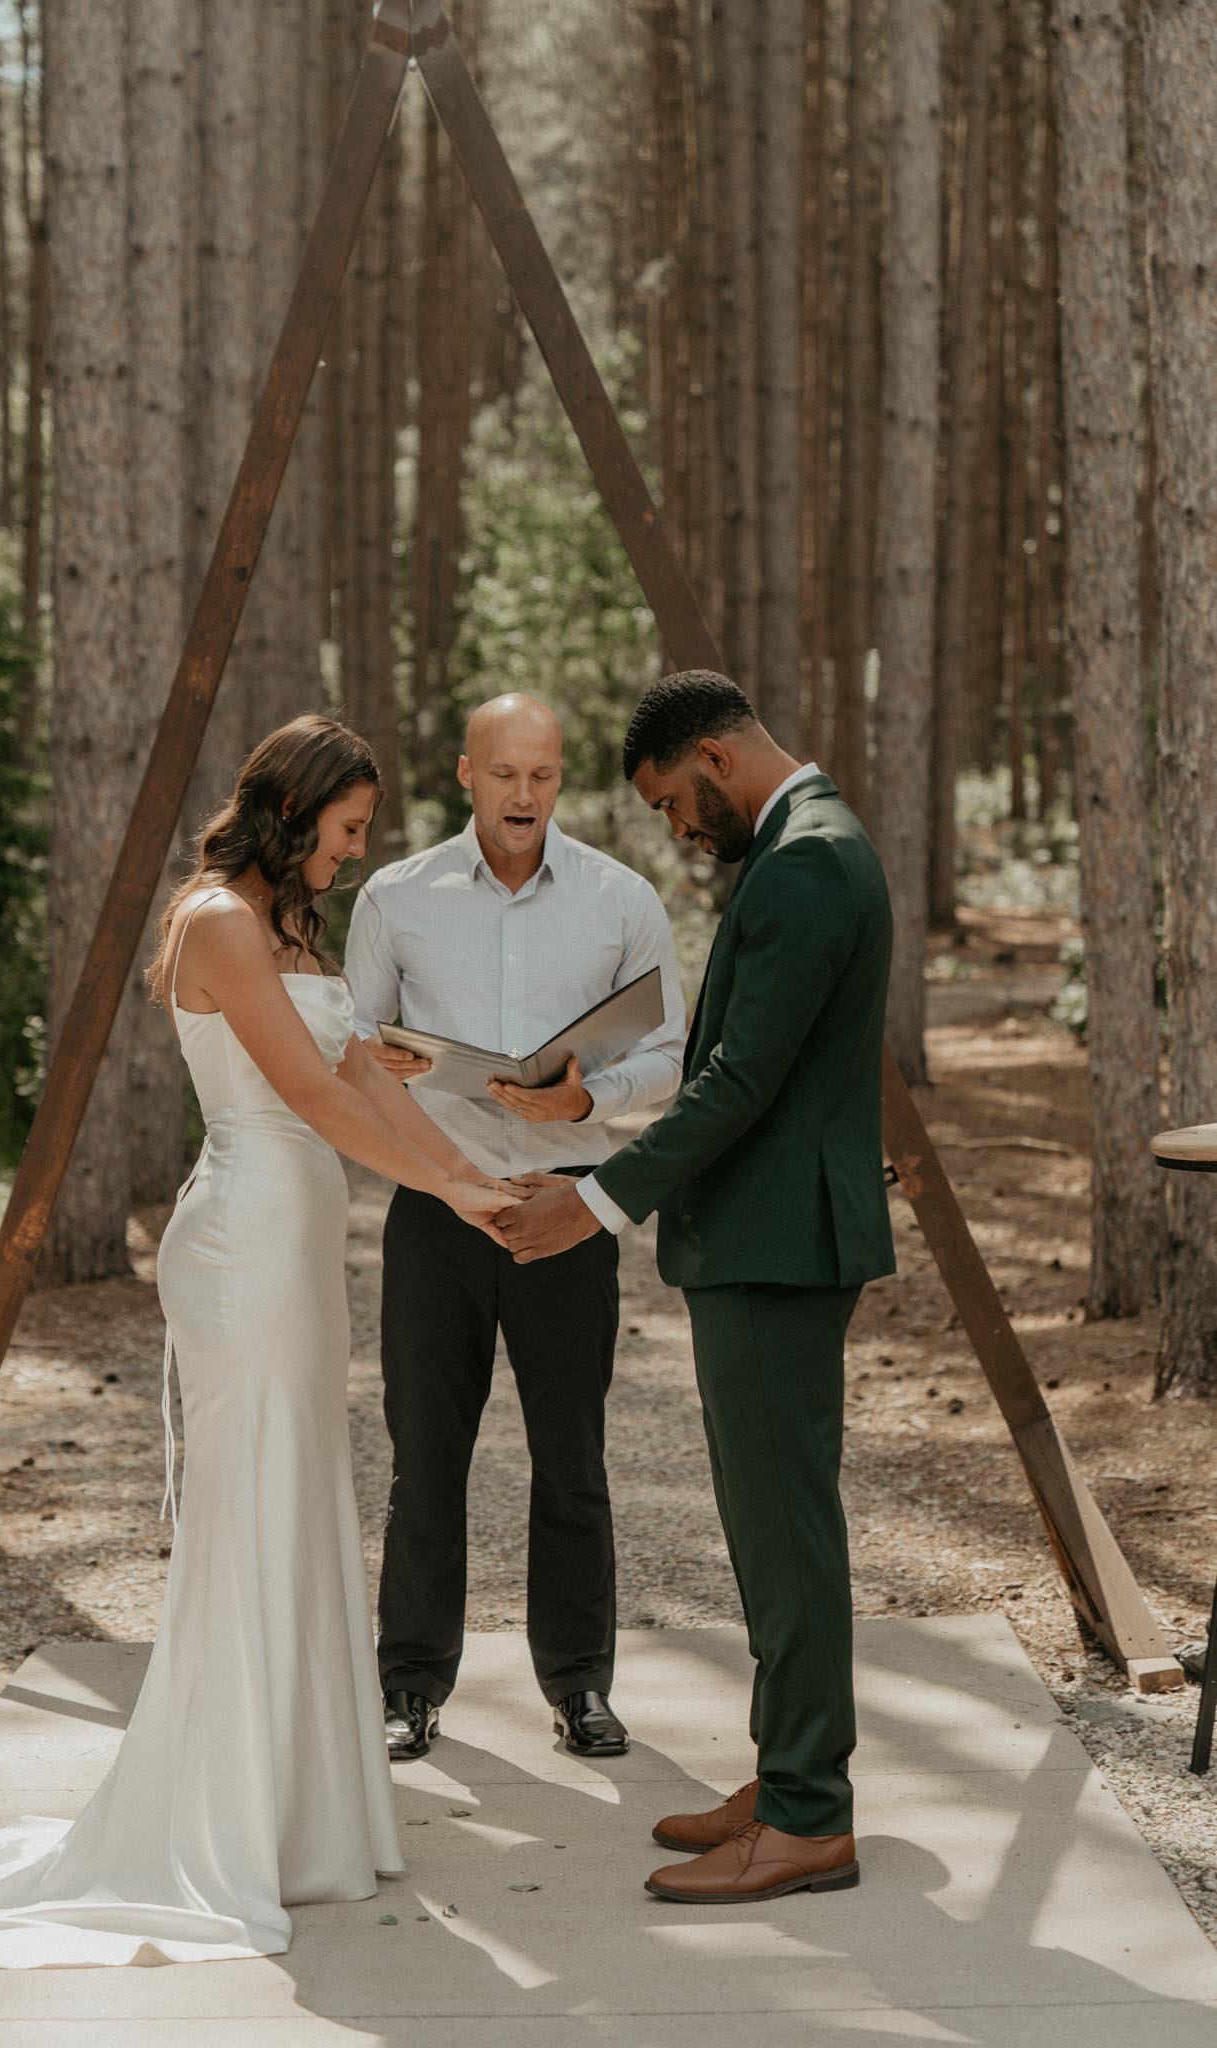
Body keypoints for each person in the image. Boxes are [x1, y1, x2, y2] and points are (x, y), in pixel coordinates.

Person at [0, 715, 520, 1968]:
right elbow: (312, 1096)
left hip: (301, 1234)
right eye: (350, 827)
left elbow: (370, 1082)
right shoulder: (214, 914)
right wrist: (448, 1196)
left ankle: (303, 1816)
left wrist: (479, 1174)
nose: (357, 851)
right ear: (296, 806)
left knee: (305, 1491)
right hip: (244, 1238)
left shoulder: (289, 927)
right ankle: (223, 1819)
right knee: (252, 1501)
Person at [498, 670, 895, 1905]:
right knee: (768, 1528)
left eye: (676, 801)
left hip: (781, 1250)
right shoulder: (800, 847)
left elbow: (739, 1085)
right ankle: (786, 1777)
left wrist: (595, 1197)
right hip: (763, 1243)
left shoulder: (809, 862)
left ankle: (812, 1816)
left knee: (787, 1536)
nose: (678, 828)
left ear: (716, 756)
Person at [345, 693, 686, 1762]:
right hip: (440, 1208)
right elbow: (351, 1048)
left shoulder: (622, 899)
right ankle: (409, 1685)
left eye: (542, 774)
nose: (525, 794)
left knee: (573, 1459)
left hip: (566, 1210)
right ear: (466, 774)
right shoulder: (396, 897)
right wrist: (401, 1083)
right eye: (505, 774)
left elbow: (669, 1054)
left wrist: (585, 1102)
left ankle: (581, 1684)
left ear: (560, 776)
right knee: (424, 1458)